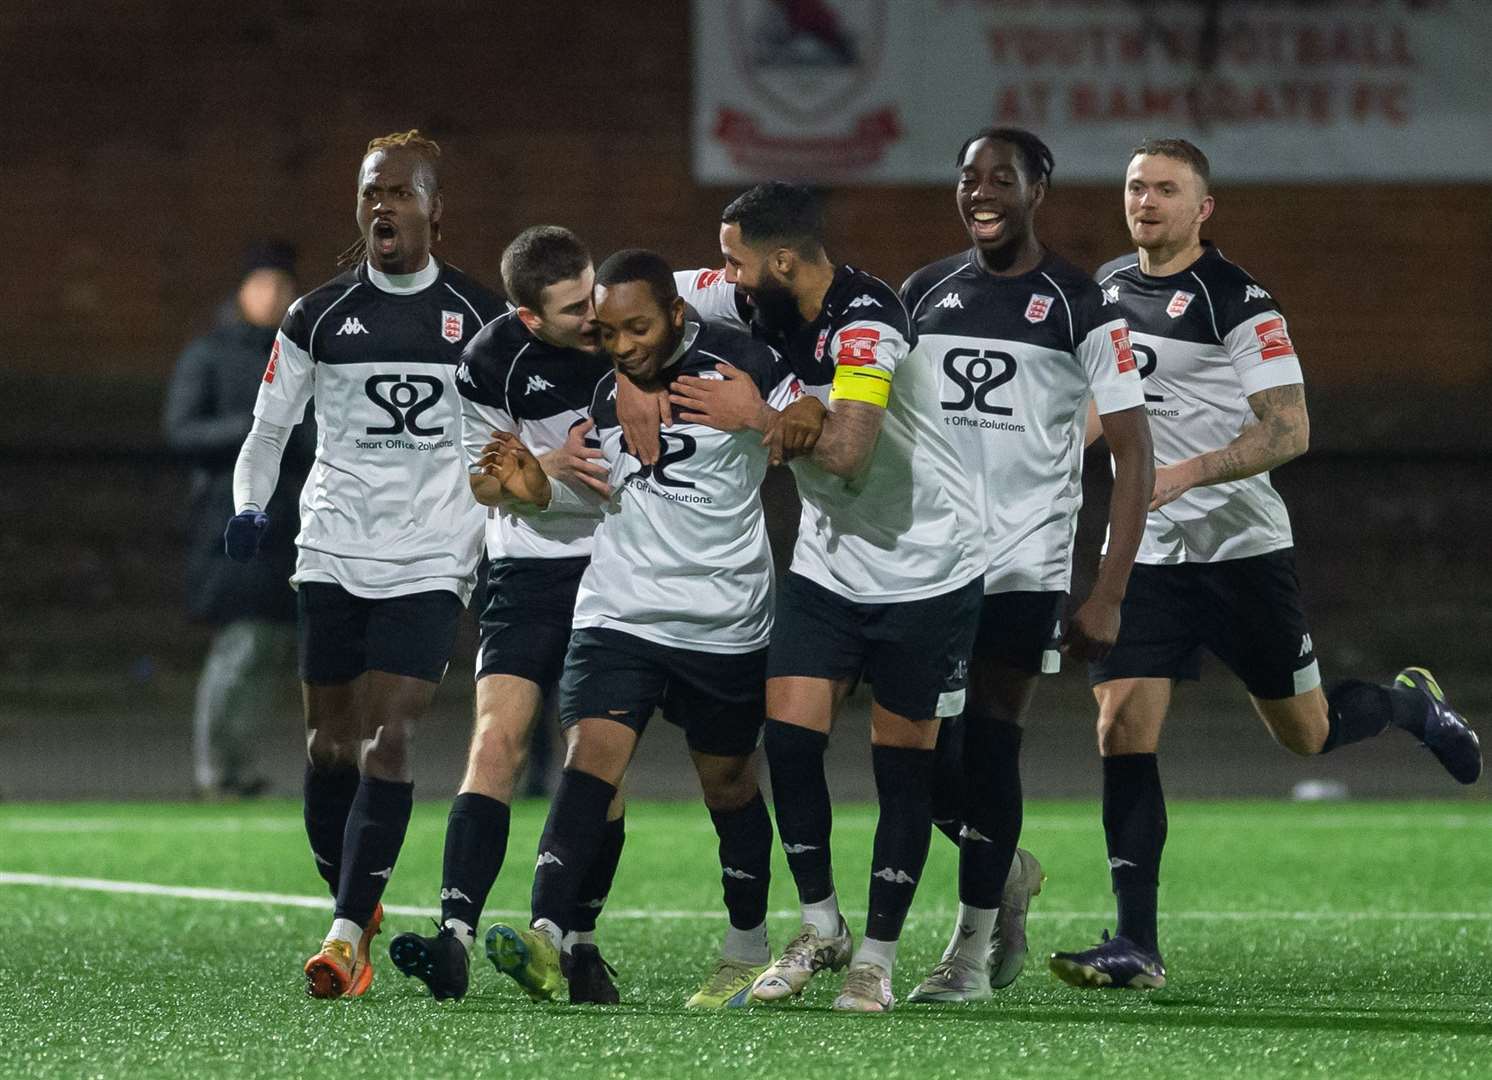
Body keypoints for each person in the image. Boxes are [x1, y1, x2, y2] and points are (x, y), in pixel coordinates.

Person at [1049, 137, 1482, 991]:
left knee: (1306, 736)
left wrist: (1187, 472)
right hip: (1143, 555)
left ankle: (1410, 706)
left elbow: (1291, 430)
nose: (1147, 202)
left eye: (1167, 190)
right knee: (1120, 728)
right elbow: (1104, 403)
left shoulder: (1237, 300)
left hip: (1242, 552)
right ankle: (1137, 944)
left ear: (1203, 209)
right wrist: (1059, 456)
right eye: (1137, 187)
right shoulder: (1103, 287)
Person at [662, 182, 987, 1012]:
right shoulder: (744, 293)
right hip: (829, 567)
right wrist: (631, 376)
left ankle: (876, 958)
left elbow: (844, 450)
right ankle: (821, 927)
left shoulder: (868, 324)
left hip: (926, 569)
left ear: (782, 260)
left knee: (900, 769)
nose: (721, 274)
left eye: (734, 258)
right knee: (791, 741)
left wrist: (754, 409)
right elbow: (628, 299)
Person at [481, 249, 806, 1008]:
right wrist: (533, 492)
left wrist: (759, 415)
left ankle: (745, 946)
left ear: (677, 314)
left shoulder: (746, 362)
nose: (622, 345)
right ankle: (546, 935)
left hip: (723, 616)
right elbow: (595, 492)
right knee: (590, 757)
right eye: (609, 333)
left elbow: (810, 427)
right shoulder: (605, 388)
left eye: (638, 329)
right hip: (620, 608)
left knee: (727, 784)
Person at [225, 130, 504, 999]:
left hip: (430, 555)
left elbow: (511, 435)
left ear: (434, 209)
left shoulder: (481, 316)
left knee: (391, 737)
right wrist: (248, 504)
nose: (382, 206)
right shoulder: (316, 317)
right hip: (335, 548)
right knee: (328, 746)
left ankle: (345, 939)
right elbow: (270, 429)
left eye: (399, 193)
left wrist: (506, 532)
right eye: (370, 193)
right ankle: (354, 892)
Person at [897, 128, 1153, 1003]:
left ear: (1038, 189)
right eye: (967, 176)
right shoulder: (924, 293)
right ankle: (1005, 868)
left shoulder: (1083, 305)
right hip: (925, 560)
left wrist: (1109, 589)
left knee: (996, 741)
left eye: (1001, 177)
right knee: (915, 747)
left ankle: (967, 953)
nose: (980, 191)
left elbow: (1133, 452)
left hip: (1022, 564)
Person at [387, 226, 624, 1004]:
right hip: (524, 571)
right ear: (528, 316)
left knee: (596, 759)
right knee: (495, 741)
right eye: (571, 307)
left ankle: (580, 943)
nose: (593, 314)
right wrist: (541, 467)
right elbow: (484, 487)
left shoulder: (634, 327)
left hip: (619, 570)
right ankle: (454, 936)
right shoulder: (492, 360)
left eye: (592, 292)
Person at [163, 242, 311, 799]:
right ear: (242, 290)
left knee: (267, 649)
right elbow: (180, 432)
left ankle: (237, 766)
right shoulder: (210, 354)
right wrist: (258, 431)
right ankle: (216, 770)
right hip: (229, 527)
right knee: (239, 646)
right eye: (262, 284)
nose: (272, 296)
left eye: (282, 285)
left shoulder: (300, 355)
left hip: (290, 525)